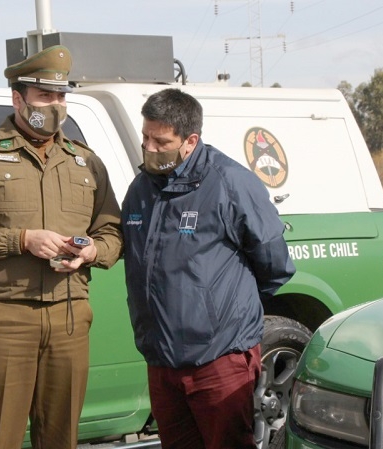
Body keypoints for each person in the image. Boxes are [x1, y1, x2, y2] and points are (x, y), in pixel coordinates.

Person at [0, 45, 123, 449]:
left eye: (61, 97)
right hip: (7, 316)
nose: (56, 105)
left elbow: (113, 232)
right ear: (18, 99)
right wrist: (22, 240)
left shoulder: (86, 163)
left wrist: (91, 251)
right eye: (46, 96)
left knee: (61, 438)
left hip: (70, 316)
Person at [121, 88, 295, 449]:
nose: (150, 148)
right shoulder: (140, 190)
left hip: (219, 361)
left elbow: (274, 264)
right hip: (162, 362)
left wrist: (224, 308)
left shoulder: (229, 183)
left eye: (161, 140)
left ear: (190, 140)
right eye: (145, 137)